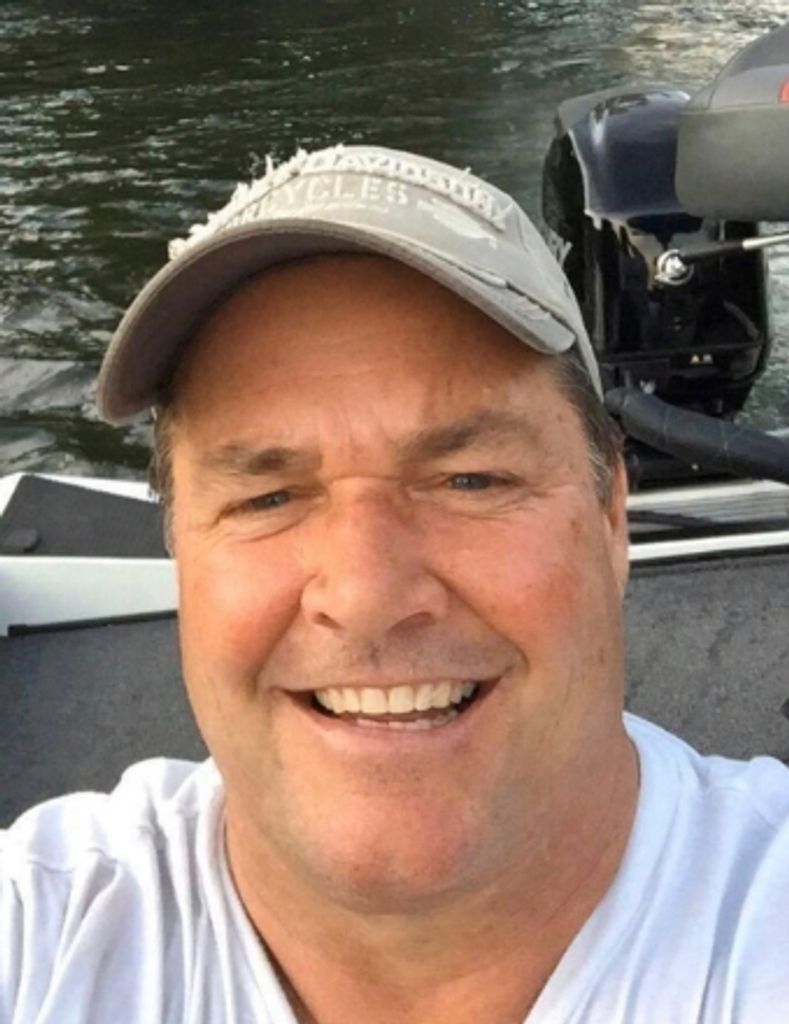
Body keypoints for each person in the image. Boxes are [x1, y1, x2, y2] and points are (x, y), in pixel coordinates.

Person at [2, 144, 788, 1024]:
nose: (365, 594)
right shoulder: (40, 930)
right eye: (267, 498)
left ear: (610, 517)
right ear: (180, 546)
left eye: (470, 481)